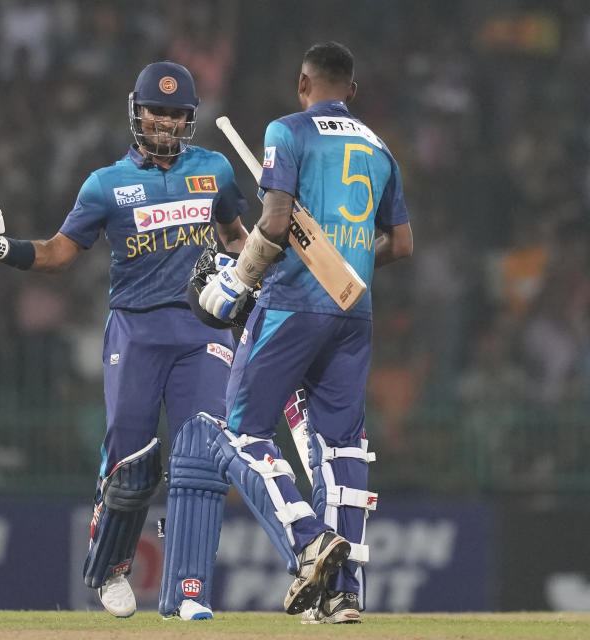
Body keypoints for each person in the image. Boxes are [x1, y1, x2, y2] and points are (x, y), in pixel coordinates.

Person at [0, 61, 249, 620]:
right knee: (131, 463)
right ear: (137, 112)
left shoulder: (217, 170)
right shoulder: (106, 184)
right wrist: (1, 248)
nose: (166, 124)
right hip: (135, 330)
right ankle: (110, 565)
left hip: (202, 329)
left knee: (201, 455)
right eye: (157, 112)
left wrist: (250, 277)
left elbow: (235, 237)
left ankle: (188, 590)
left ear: (190, 120)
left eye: (178, 115)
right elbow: (60, 253)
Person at [198, 41, 413, 624]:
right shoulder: (381, 148)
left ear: (303, 84)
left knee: (241, 433)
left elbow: (271, 220)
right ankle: (346, 595)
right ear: (353, 90)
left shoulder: (287, 130)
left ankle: (307, 540)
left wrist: (238, 281)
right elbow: (402, 243)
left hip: (293, 303)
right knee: (342, 448)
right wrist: (346, 262)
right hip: (354, 311)